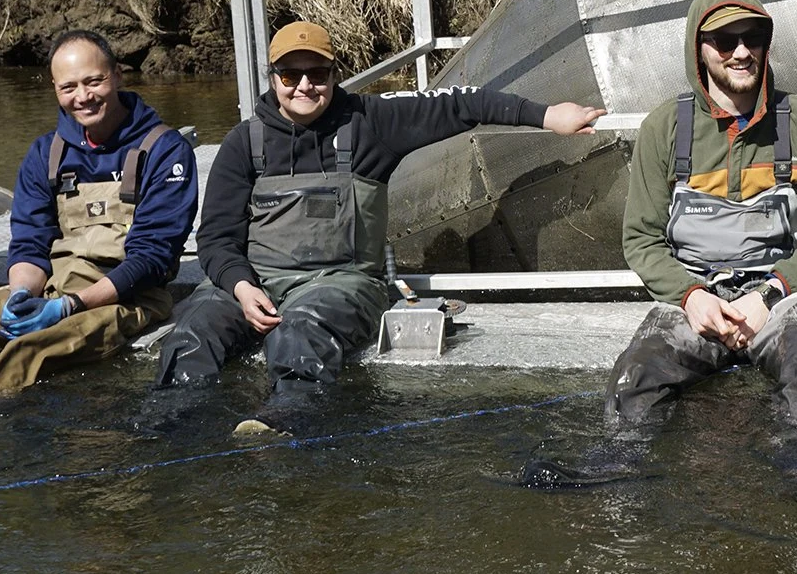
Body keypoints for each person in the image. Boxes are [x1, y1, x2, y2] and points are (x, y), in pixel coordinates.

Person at [151, 21, 604, 424]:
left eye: (319, 74)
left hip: (340, 284)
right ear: (273, 79)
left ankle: (287, 425)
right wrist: (240, 287)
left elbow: (463, 104)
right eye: (291, 75)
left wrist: (548, 116)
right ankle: (179, 422)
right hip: (254, 282)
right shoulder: (242, 142)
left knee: (299, 329)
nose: (305, 86)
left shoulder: (371, 121)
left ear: (335, 75)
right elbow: (214, 239)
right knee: (192, 330)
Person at [522, 0, 797, 488]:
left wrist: (769, 295)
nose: (741, 52)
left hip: (781, 295)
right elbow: (641, 240)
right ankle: (618, 459)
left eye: (753, 37)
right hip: (696, 295)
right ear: (698, 50)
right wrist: (691, 296)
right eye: (724, 41)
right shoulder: (665, 128)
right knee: (639, 367)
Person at [0, 29, 197, 394]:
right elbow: (30, 243)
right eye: (68, 87)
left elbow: (152, 257)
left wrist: (71, 307)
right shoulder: (45, 153)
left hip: (127, 296)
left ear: (116, 75)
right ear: (54, 88)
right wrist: (21, 294)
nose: (82, 97)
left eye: (94, 81)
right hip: (50, 287)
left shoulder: (165, 150)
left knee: (24, 354)